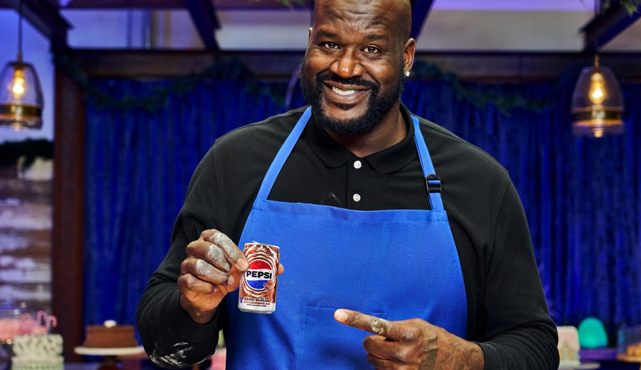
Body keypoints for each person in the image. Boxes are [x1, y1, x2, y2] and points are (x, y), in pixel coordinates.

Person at [137, 0, 559, 368]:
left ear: (407, 56)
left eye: (372, 49)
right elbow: (164, 347)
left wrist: (465, 360)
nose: (344, 68)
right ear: (309, 41)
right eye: (329, 44)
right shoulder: (236, 163)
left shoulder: (480, 182)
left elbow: (537, 348)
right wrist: (193, 308)